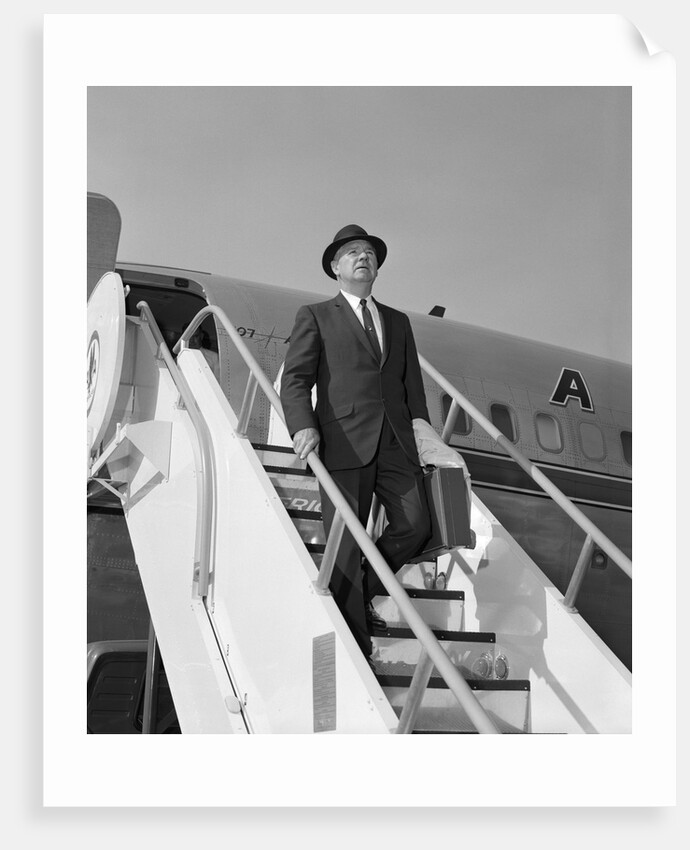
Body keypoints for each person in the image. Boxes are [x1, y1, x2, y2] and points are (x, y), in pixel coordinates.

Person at [280, 224, 432, 665]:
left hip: (396, 443)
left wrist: (423, 435)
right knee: (345, 540)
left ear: (377, 267)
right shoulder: (315, 315)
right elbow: (296, 379)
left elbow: (412, 387)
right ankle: (356, 647)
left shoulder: (398, 322)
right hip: (343, 440)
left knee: (416, 525)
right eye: (352, 253)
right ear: (336, 267)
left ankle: (361, 590)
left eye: (369, 252)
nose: (363, 257)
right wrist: (302, 426)